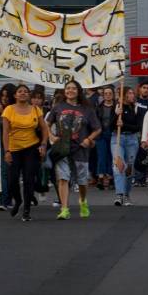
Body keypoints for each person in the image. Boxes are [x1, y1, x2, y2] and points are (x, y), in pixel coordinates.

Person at [47, 80, 101, 221]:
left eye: (73, 88)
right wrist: (51, 136)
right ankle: (64, 209)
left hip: (80, 149)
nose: (70, 90)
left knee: (82, 181)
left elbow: (98, 128)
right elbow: (46, 123)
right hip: (62, 148)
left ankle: (82, 201)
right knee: (63, 178)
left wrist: (89, 139)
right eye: (68, 88)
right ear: (64, 91)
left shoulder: (87, 109)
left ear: (79, 91)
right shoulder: (58, 107)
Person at [2, 85, 49, 222]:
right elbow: (5, 132)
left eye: (25, 92)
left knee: (29, 180)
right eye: (20, 92)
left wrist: (44, 144)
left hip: (31, 149)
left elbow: (44, 129)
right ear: (15, 95)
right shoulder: (8, 110)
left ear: (28, 95)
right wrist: (7, 151)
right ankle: (18, 201)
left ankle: (27, 210)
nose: (23, 94)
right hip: (14, 149)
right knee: (12, 180)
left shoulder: (35, 109)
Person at [113, 86, 140, 207]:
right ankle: (119, 194)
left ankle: (127, 194)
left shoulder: (136, 108)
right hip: (117, 138)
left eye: (132, 93)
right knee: (119, 165)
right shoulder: (117, 107)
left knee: (129, 167)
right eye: (129, 93)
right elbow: (110, 126)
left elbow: (137, 127)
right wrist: (116, 117)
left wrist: (125, 125)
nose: (132, 95)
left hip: (131, 139)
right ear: (124, 95)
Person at [94, 86, 117, 191]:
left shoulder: (117, 107)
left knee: (111, 156)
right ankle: (100, 177)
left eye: (110, 93)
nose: (108, 95)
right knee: (101, 156)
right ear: (103, 95)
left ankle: (110, 177)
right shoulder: (98, 107)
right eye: (106, 93)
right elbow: (95, 121)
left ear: (113, 95)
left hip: (113, 133)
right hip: (101, 134)